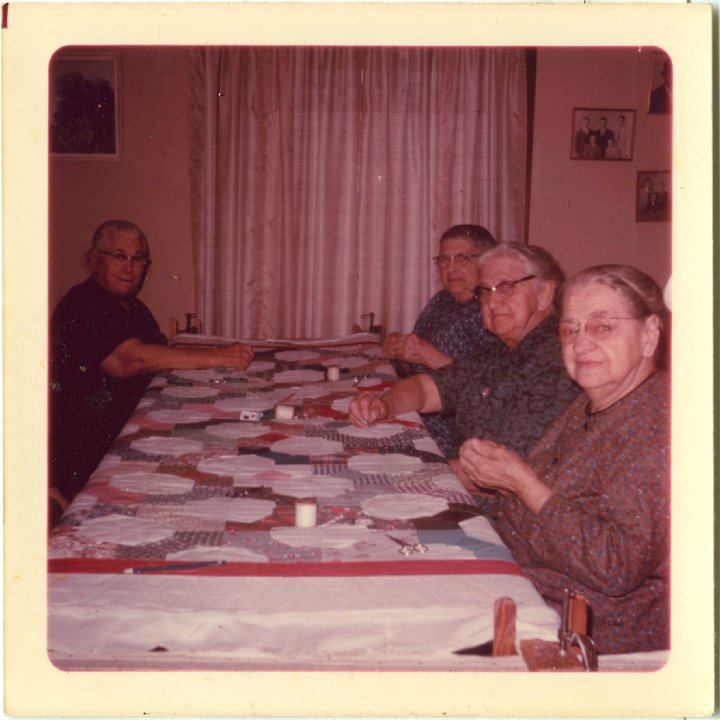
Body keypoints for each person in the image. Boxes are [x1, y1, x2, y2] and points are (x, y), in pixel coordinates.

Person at [458, 265, 669, 655]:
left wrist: (522, 484)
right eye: (570, 330)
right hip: (522, 590)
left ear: (650, 335)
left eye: (602, 327)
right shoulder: (591, 404)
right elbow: (534, 514)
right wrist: (500, 479)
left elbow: (615, 566)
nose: (580, 344)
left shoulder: (660, 424)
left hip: (588, 636)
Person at [50, 220, 254, 517]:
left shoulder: (132, 306)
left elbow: (161, 356)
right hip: (86, 451)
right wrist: (219, 356)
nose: (129, 267)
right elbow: (131, 360)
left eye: (138, 258)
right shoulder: (83, 303)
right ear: (94, 261)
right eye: (119, 256)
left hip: (127, 427)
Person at [349, 243, 581, 485]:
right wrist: (384, 405)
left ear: (544, 294)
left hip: (494, 513)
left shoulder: (558, 361)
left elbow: (506, 470)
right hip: (458, 483)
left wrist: (411, 472)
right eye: (485, 291)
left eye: (506, 287)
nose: (492, 302)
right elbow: (427, 388)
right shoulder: (498, 352)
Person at [381, 224, 500, 455]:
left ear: (486, 261)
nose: (451, 267)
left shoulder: (491, 311)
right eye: (444, 260)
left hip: (452, 434)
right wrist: (399, 352)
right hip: (417, 413)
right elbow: (412, 366)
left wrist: (429, 355)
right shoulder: (440, 301)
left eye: (462, 258)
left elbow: (488, 390)